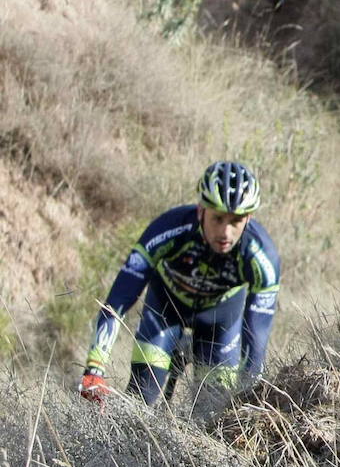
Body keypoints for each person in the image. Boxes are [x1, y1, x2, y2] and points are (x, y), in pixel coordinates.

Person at [78, 161, 281, 407]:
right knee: (141, 399)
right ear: (200, 210)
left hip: (221, 321)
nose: (225, 233)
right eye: (217, 218)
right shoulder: (169, 229)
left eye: (236, 221)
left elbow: (256, 337)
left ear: (248, 218)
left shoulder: (261, 256)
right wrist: (95, 368)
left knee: (213, 412)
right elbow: (119, 299)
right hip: (165, 308)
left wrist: (252, 396)